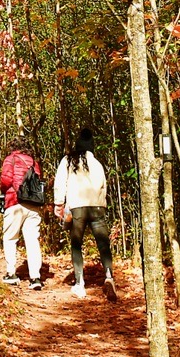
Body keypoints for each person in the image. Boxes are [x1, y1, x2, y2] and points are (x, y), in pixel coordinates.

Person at [53, 125, 116, 301]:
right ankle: (109, 276)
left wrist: (59, 204)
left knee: (76, 244)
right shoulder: (97, 164)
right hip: (97, 208)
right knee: (103, 244)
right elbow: (104, 187)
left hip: (77, 207)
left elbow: (60, 183)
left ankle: (80, 283)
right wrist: (101, 205)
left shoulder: (68, 160)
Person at [0, 139, 45, 290]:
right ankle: (35, 278)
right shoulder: (33, 163)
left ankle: (11, 274)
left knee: (10, 237)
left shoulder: (10, 159)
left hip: (14, 202)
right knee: (32, 240)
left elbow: (5, 180)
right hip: (33, 205)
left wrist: (3, 191)